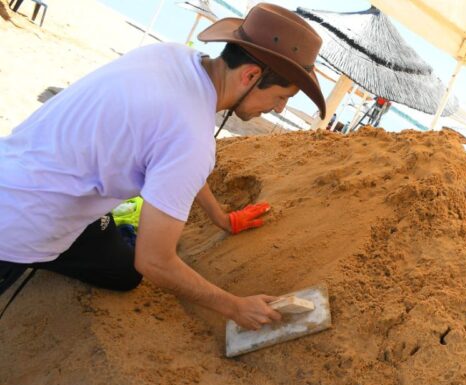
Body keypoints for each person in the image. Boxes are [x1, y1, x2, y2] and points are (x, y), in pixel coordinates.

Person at [0, 3, 327, 331]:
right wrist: (235, 306)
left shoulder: (169, 56)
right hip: (20, 227)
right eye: (283, 96)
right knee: (138, 263)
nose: (279, 108)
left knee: (124, 272)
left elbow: (169, 152)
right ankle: (42, 254)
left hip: (15, 168)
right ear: (251, 76)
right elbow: (155, 260)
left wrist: (221, 217)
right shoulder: (192, 139)